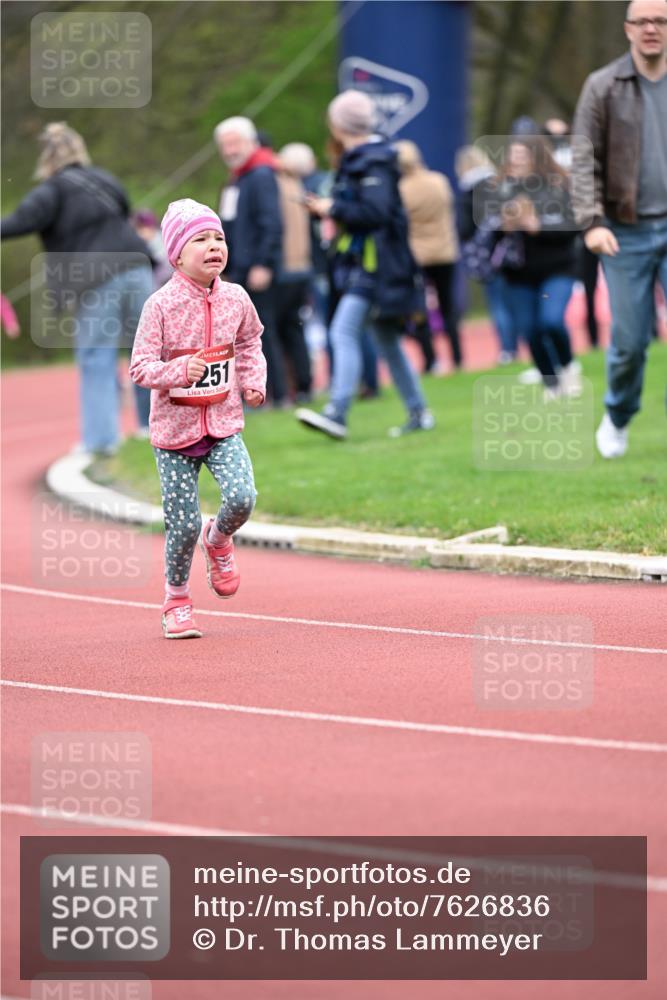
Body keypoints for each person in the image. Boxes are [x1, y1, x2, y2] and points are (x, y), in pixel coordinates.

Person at [129, 198, 266, 640]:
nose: (214, 247)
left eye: (219, 238)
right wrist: (175, 372)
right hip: (174, 433)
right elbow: (139, 367)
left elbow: (250, 343)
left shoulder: (237, 298)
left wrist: (253, 381)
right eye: (201, 240)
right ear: (176, 254)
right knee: (183, 523)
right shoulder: (160, 306)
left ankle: (220, 537)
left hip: (223, 425)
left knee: (243, 497)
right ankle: (176, 600)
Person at [0, 122, 153, 454]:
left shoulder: (51, 190)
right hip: (137, 267)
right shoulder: (105, 179)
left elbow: (19, 222)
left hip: (95, 278)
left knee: (97, 356)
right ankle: (155, 431)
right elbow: (126, 211)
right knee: (148, 353)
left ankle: (101, 442)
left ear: (47, 158)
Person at [296, 90, 432, 440]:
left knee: (342, 331)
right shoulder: (367, 159)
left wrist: (332, 209)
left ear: (338, 124)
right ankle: (419, 412)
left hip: (377, 265)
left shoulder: (372, 161)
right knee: (386, 339)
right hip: (370, 263)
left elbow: (375, 212)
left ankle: (337, 412)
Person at [571, 0, 667, 458]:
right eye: (643, 21)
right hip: (624, 231)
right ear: (628, 29)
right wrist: (591, 222)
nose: (652, 28)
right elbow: (583, 160)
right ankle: (619, 413)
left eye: (661, 20)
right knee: (629, 342)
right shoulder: (603, 86)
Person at [492, 137, 581, 399]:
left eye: (522, 155)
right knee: (529, 330)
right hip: (518, 275)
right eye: (513, 155)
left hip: (557, 268)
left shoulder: (558, 187)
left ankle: (568, 366)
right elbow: (484, 234)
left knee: (551, 321)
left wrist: (537, 227)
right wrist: (503, 227)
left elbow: (573, 228)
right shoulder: (500, 190)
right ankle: (551, 384)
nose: (516, 160)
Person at [214, 116, 287, 407]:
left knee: (262, 334)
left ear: (250, 142)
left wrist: (264, 263)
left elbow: (272, 222)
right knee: (246, 336)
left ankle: (276, 395)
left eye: (235, 143)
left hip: (258, 270)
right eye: (225, 145)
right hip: (240, 270)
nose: (230, 150)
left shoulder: (260, 174)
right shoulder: (238, 179)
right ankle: (262, 396)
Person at [395, 139, 462, 371]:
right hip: (445, 251)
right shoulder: (438, 181)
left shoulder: (401, 190)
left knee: (418, 309)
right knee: (448, 308)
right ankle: (457, 356)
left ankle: (430, 358)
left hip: (417, 255)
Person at [455, 145, 516, 364]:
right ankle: (521, 344)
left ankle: (508, 350)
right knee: (514, 300)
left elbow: (463, 228)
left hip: (487, 255)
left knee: (498, 303)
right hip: (510, 250)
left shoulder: (466, 192)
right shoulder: (499, 184)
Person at [275, 144, 314, 402]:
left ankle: (281, 388)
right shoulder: (299, 187)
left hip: (285, 268)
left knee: (277, 331)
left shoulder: (277, 186)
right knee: (296, 329)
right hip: (303, 267)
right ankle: (304, 385)